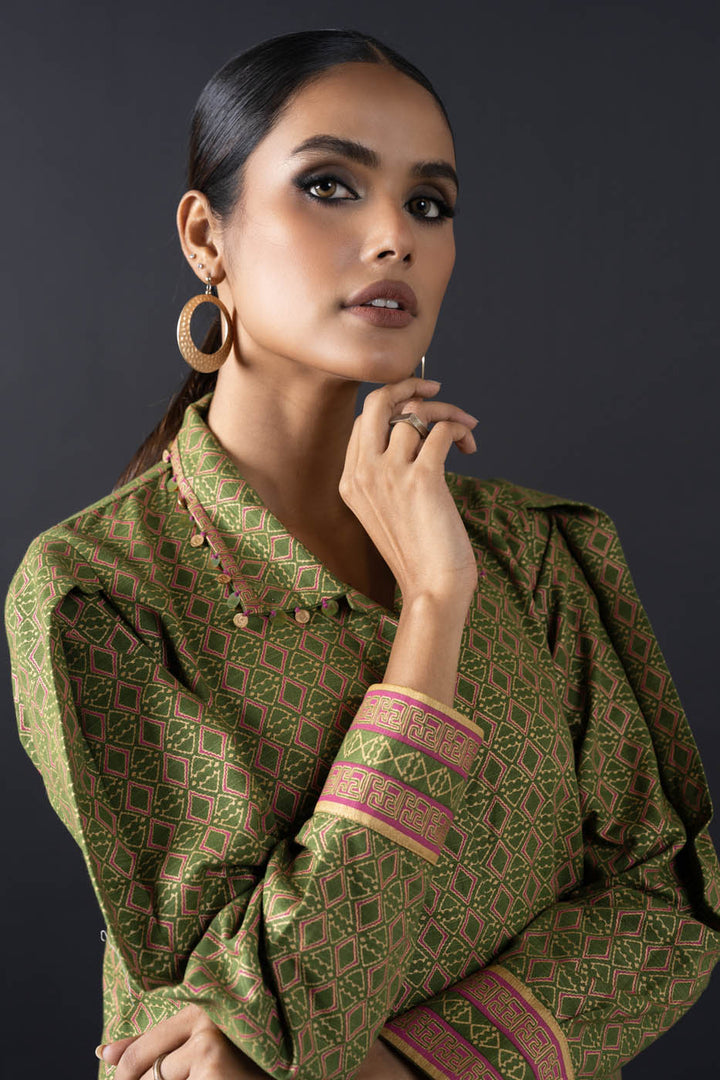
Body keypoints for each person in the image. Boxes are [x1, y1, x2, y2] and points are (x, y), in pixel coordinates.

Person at [4, 26, 720, 1080]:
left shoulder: (534, 553)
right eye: (331, 186)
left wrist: (393, 1066)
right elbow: (238, 999)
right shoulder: (101, 592)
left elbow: (671, 901)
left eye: (429, 203)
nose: (394, 237)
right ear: (207, 237)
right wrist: (432, 613)